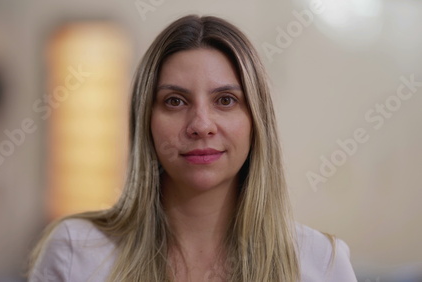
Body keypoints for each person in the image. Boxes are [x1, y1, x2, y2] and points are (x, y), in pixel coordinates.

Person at [28, 14, 357, 282]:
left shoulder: (321, 264)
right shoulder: (76, 251)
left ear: (257, 121)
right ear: (146, 121)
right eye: (174, 101)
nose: (201, 124)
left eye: (225, 101)